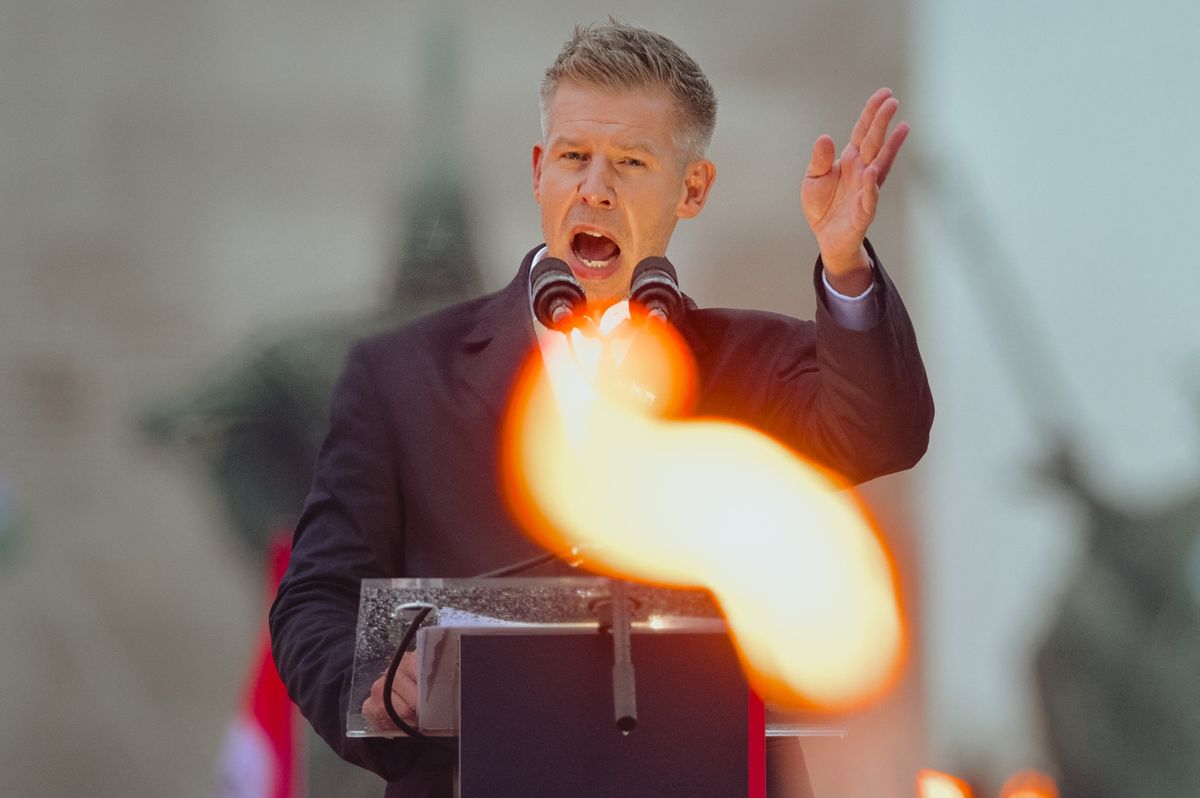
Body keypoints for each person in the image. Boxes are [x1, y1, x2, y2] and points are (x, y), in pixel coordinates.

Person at [270, 21, 933, 797]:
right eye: (573, 157)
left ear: (692, 189)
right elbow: (313, 600)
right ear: (537, 170)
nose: (595, 188)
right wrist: (377, 683)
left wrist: (845, 260)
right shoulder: (401, 377)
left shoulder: (754, 366)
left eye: (631, 163)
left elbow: (882, 430)